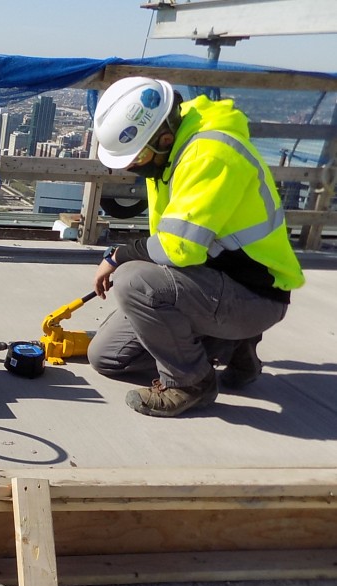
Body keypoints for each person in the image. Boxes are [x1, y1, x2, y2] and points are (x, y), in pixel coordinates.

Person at [87, 76, 305, 417]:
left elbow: (179, 249)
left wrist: (117, 256)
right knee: (107, 357)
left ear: (164, 138)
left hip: (255, 294)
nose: (131, 166)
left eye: (136, 157)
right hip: (209, 280)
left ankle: (190, 383)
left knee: (134, 281)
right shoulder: (174, 144)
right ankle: (230, 346)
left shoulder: (208, 155)